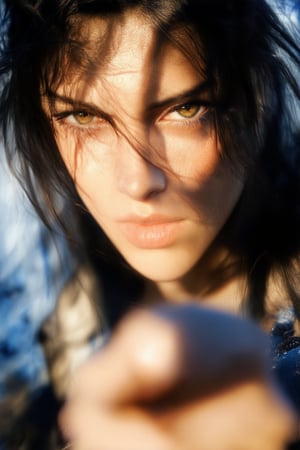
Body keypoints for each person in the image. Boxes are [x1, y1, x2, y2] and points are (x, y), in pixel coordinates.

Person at [1, 0, 300, 449]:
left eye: (186, 110)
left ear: (254, 99)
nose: (139, 181)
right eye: (83, 117)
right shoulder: (43, 324)